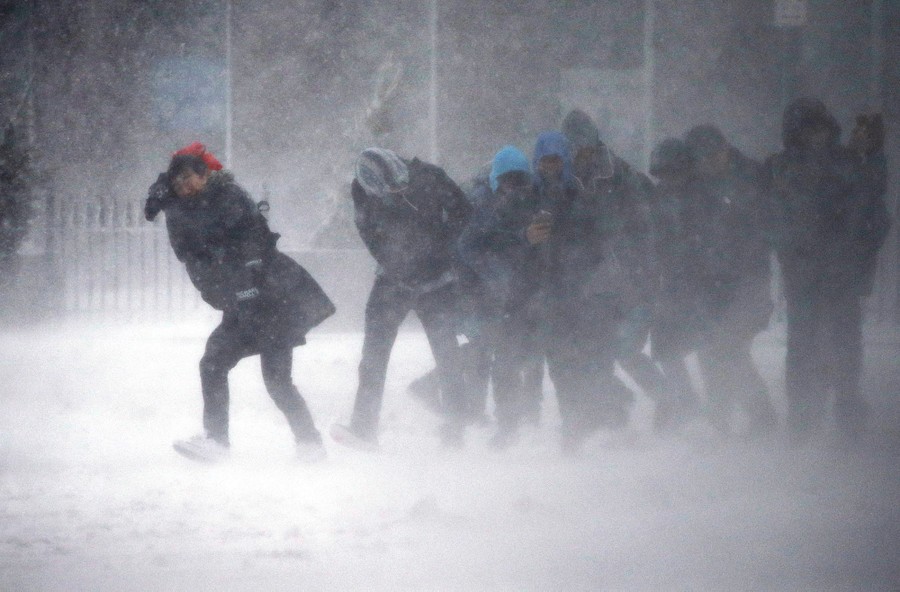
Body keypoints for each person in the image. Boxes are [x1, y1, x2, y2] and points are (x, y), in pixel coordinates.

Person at [144, 142, 335, 463]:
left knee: (275, 381)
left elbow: (254, 240)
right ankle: (218, 442)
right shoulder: (184, 208)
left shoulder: (228, 197)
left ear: (205, 175)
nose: (183, 185)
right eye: (177, 181)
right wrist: (162, 194)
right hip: (242, 304)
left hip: (271, 301)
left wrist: (249, 279)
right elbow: (192, 250)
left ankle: (309, 445)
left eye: (189, 177)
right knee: (215, 364)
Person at [765, 99, 889, 445]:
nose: (815, 136)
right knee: (805, 346)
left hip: (837, 272)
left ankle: (844, 417)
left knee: (842, 345)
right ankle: (805, 418)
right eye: (808, 129)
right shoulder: (783, 167)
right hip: (808, 273)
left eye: (819, 128)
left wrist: (872, 155)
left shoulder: (846, 162)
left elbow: (872, 204)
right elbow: (771, 215)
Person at [331, 147, 473, 450]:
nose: (397, 193)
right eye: (390, 192)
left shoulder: (430, 177)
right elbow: (369, 234)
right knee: (374, 355)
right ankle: (364, 427)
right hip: (392, 280)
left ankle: (456, 426)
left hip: (436, 280)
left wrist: (439, 250)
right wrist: (395, 264)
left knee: (445, 351)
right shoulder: (362, 190)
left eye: (400, 187)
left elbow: (463, 211)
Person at [561, 109, 674, 433]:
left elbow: (643, 227)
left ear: (594, 141)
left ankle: (660, 401)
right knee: (598, 350)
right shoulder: (568, 177)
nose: (579, 153)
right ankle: (616, 414)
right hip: (590, 279)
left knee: (620, 348)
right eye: (573, 147)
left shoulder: (621, 175)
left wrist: (639, 268)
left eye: (583, 145)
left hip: (626, 277)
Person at [682, 124, 778, 438]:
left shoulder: (751, 178)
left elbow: (761, 229)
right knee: (712, 351)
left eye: (711, 157)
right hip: (711, 282)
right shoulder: (698, 183)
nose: (706, 164)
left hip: (746, 281)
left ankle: (754, 416)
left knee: (728, 349)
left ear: (724, 149)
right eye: (701, 159)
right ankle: (723, 418)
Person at [457, 145, 547, 447]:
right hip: (501, 297)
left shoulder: (536, 202)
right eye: (508, 181)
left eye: (519, 180)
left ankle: (527, 415)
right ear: (497, 181)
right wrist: (499, 268)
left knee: (528, 356)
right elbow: (470, 247)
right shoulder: (484, 207)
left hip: (528, 291)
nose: (514, 188)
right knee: (504, 360)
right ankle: (509, 424)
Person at [647, 138, 704, 428]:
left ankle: (715, 408)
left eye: (674, 172)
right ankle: (682, 401)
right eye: (664, 174)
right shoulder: (657, 198)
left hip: (702, 282)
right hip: (668, 281)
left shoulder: (700, 197)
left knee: (712, 348)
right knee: (665, 348)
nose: (669, 179)